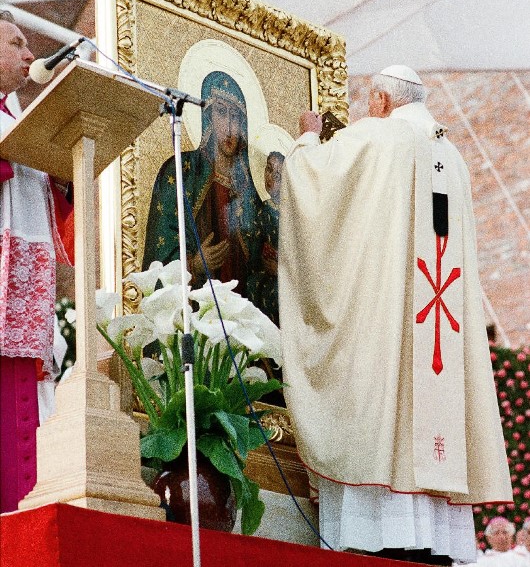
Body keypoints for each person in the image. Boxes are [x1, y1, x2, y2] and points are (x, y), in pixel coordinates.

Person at [278, 65, 512, 563]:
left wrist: (305, 138)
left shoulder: (378, 138)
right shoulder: (453, 156)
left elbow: (312, 185)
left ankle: (383, 529)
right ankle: (435, 540)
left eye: (369, 102)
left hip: (391, 331)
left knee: (385, 413)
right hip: (438, 302)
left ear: (382, 99)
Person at [0, 10, 73, 512]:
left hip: (28, 296)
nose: (30, 54)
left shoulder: (19, 120)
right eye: (17, 43)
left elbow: (51, 203)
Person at [143, 70, 261, 294]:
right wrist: (193, 264)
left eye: (235, 117)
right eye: (221, 112)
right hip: (194, 310)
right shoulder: (180, 171)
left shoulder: (250, 191)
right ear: (207, 116)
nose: (228, 126)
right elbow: (158, 253)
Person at [247, 151, 285, 327]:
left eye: (278, 175)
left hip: (286, 278)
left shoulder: (293, 211)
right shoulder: (263, 209)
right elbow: (254, 252)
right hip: (265, 276)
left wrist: (280, 270)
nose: (271, 178)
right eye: (269, 170)